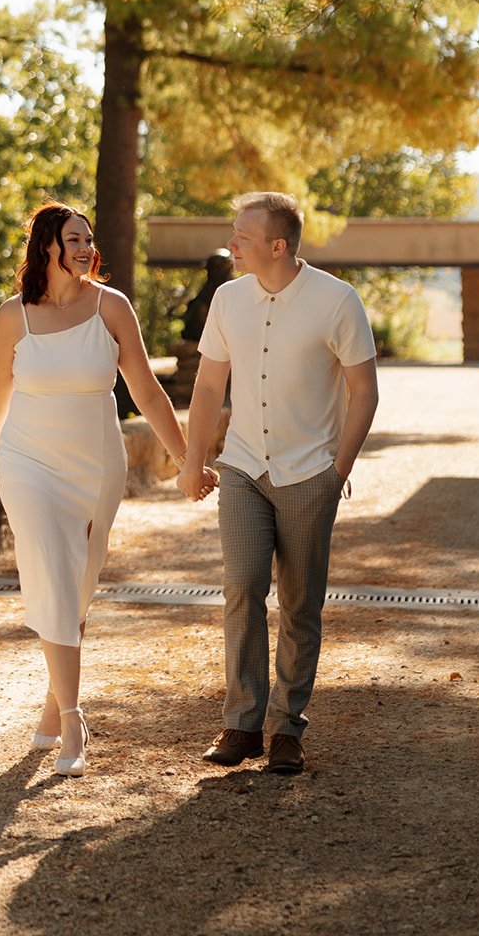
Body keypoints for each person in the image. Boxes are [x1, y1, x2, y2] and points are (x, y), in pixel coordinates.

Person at [0, 201, 201, 778]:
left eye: (88, 240)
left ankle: (52, 704)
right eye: (73, 238)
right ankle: (74, 715)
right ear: (47, 244)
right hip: (27, 460)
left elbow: (146, 391)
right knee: (49, 563)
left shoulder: (112, 306)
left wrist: (185, 458)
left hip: (96, 462)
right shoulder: (12, 316)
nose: (83, 248)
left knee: (79, 580)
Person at [176, 191, 379, 775]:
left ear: (277, 245)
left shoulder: (338, 301)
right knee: (241, 586)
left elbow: (364, 390)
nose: (231, 243)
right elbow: (210, 387)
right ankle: (242, 724)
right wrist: (194, 459)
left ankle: (288, 726)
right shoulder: (227, 299)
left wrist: (338, 468)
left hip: (309, 472)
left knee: (299, 601)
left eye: (241, 234)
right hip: (243, 467)